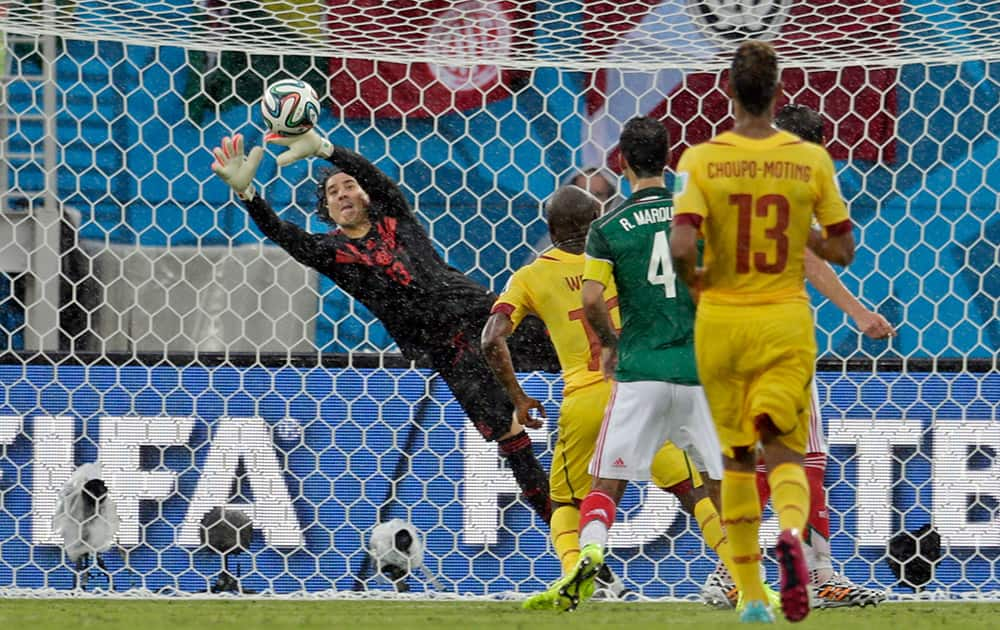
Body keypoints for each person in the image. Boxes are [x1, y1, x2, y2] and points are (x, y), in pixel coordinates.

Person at [209, 130, 557, 524]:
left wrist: (329, 150)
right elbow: (283, 234)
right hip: (449, 351)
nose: (342, 194)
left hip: (483, 316)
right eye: (332, 192)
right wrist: (249, 195)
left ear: (366, 196)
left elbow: (378, 178)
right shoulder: (332, 253)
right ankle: (570, 541)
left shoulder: (396, 218)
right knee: (511, 439)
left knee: (576, 351)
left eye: (349, 185)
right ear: (326, 208)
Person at [671, 42, 856, 623]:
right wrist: (807, 238)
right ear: (777, 93)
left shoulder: (699, 161)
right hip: (784, 322)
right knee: (790, 452)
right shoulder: (810, 163)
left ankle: (749, 590)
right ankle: (800, 549)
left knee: (737, 460)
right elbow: (840, 249)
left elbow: (681, 245)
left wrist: (699, 285)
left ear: (729, 92)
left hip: (722, 324)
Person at [481, 185, 736, 608]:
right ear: (597, 222)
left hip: (584, 399)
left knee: (565, 499)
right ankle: (741, 570)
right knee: (693, 489)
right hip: (641, 391)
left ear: (549, 228)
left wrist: (519, 397)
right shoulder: (621, 258)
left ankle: (575, 576)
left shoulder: (531, 275)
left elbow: (492, 338)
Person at [700, 103, 893, 611]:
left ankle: (730, 574)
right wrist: (858, 312)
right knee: (804, 458)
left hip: (728, 333)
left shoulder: (722, 175)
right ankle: (819, 574)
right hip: (778, 333)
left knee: (756, 458)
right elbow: (807, 257)